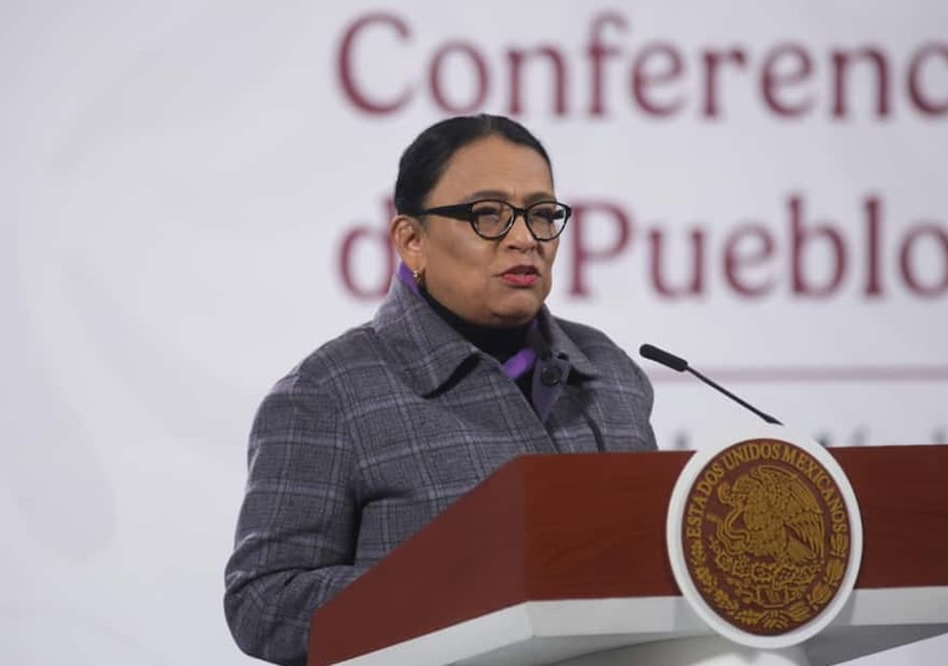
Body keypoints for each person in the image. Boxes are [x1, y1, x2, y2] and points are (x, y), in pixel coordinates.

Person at [223, 114, 657, 665]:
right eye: (488, 215)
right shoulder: (328, 394)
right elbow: (263, 602)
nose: (524, 238)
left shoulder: (608, 373)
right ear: (412, 241)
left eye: (543, 214)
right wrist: (453, 586)